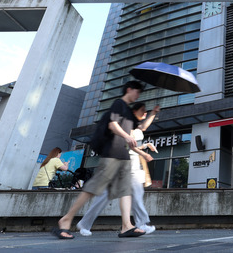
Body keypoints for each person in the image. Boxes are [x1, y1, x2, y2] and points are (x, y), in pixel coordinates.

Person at [53, 81, 146, 239]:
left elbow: (141, 128)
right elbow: (112, 125)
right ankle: (66, 220)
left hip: (123, 156)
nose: (138, 95)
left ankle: (126, 226)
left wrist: (154, 113)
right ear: (129, 89)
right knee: (93, 188)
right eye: (137, 92)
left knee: (125, 191)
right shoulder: (119, 103)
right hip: (112, 153)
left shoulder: (129, 112)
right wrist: (126, 136)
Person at [76, 102, 160, 236]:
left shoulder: (135, 125)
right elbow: (130, 145)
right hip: (123, 161)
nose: (144, 114)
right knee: (109, 194)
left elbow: (143, 127)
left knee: (134, 191)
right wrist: (144, 153)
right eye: (142, 111)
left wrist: (153, 113)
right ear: (134, 112)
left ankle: (140, 223)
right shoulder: (127, 124)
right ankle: (86, 223)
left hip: (130, 162)